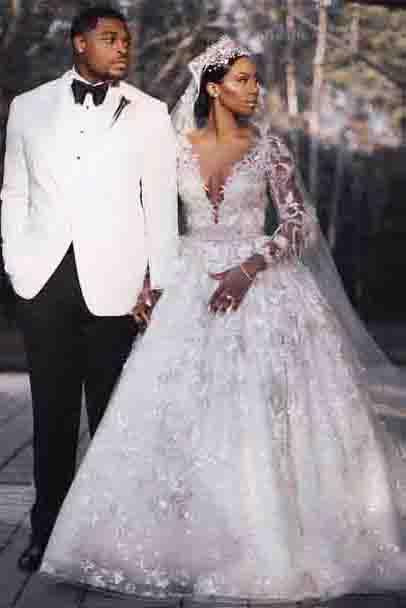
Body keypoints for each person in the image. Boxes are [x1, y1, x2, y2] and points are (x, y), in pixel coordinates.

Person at [40, 37, 406, 602]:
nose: (255, 89)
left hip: (263, 287)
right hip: (189, 283)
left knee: (263, 410)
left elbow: (299, 225)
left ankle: (272, 536)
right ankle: (178, 539)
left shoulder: (269, 149)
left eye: (255, 79)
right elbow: (153, 220)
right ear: (212, 88)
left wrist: (249, 267)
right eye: (242, 79)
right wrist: (146, 282)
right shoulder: (174, 149)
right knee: (175, 409)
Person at [0, 5, 178, 572]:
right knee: (51, 418)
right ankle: (46, 534)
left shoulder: (150, 113)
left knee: (111, 419)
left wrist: (160, 283)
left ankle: (106, 542)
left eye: (126, 40)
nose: (123, 48)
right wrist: (16, 264)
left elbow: (161, 204)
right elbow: (14, 192)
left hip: (118, 286)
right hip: (44, 282)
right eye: (110, 38)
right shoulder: (27, 107)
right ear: (80, 43)